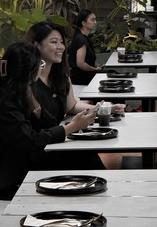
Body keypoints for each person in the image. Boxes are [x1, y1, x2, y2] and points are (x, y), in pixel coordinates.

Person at [0, 42, 96, 199]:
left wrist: (35, 105)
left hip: (16, 159)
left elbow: (50, 125)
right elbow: (30, 140)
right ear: (28, 70)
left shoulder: (19, 90)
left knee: (83, 155)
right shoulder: (0, 100)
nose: (41, 68)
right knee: (80, 160)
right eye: (40, 64)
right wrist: (70, 128)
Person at [26, 20, 105, 169]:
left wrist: (101, 108)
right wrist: (73, 127)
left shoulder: (61, 77)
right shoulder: (27, 82)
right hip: (38, 148)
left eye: (62, 42)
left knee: (87, 152)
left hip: (57, 141)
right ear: (37, 45)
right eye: (54, 42)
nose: (60, 47)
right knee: (85, 155)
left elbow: (71, 106)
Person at [68, 10, 102, 86]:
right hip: (82, 77)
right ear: (83, 23)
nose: (95, 22)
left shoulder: (83, 37)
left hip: (84, 75)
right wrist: (95, 69)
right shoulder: (81, 40)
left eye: (95, 19)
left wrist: (95, 66)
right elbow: (80, 64)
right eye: (92, 20)